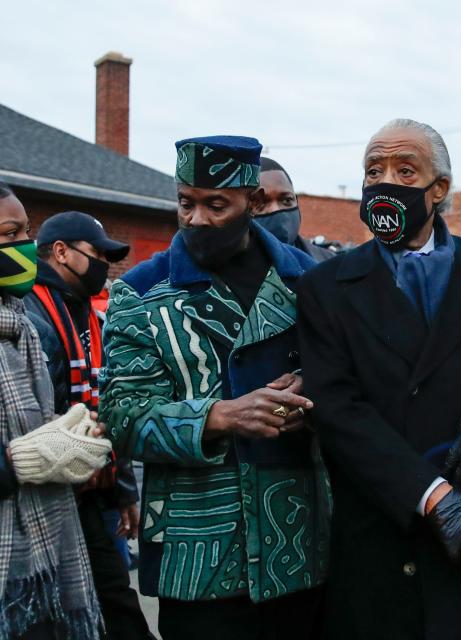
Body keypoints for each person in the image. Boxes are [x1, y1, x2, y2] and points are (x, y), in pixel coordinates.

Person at [297, 118, 461, 640]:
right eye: (374, 170)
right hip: (386, 528)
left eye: (404, 169)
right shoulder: (326, 286)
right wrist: (431, 495)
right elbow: (337, 408)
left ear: (438, 189)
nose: (384, 182)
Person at [99, 136, 332, 640]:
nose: (196, 218)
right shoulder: (141, 292)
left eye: (215, 204)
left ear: (252, 202)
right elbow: (123, 416)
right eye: (187, 202)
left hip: (299, 543)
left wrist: (314, 387)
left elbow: (352, 378)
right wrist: (218, 417)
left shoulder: (309, 283)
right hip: (198, 555)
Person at [21, 211, 151, 639]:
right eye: (97, 255)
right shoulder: (30, 313)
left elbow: (106, 407)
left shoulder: (88, 316)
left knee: (115, 602)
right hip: (47, 495)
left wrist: (123, 489)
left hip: (92, 493)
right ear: (60, 252)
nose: (104, 266)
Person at [0, 181, 110, 639]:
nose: (26, 247)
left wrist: (66, 435)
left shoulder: (19, 324)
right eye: (10, 235)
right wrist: (18, 462)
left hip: (47, 553)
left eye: (27, 232)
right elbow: (21, 453)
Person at [254, 157, 335, 261]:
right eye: (262, 203)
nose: (276, 210)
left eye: (287, 200)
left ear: (296, 201)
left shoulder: (328, 263)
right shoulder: (230, 270)